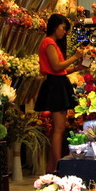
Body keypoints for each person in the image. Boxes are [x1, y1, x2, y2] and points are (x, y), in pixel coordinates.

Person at [35, 14, 84, 173]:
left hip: (58, 84)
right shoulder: (48, 42)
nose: (65, 32)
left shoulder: (52, 43)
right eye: (63, 28)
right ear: (55, 26)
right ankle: (58, 166)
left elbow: (60, 69)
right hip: (55, 86)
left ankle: (51, 167)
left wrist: (77, 68)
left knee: (59, 129)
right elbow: (56, 67)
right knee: (58, 129)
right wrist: (75, 57)